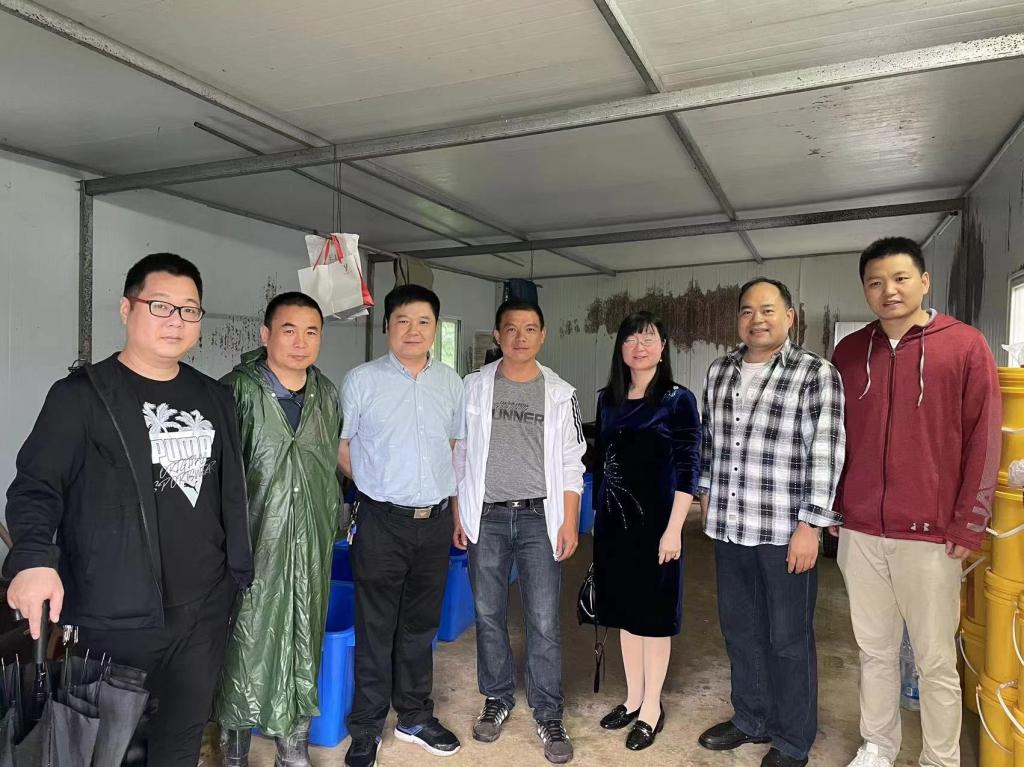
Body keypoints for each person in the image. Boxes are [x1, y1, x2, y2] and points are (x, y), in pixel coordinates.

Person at [4, 253, 253, 766]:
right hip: (115, 612)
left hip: (204, 608)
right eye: (160, 305)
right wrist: (31, 559)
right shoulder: (81, 398)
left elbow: (229, 493)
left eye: (189, 310)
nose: (175, 320)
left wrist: (235, 576)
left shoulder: (215, 397)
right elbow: (36, 485)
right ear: (126, 309)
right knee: (108, 747)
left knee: (181, 738)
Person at [832, 237, 1000, 767]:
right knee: (874, 651)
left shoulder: (965, 345)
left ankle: (940, 758)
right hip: (861, 529)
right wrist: (836, 505)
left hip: (931, 535)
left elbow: (983, 440)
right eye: (876, 282)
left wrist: (970, 523)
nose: (889, 290)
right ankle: (878, 746)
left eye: (901, 278)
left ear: (924, 281)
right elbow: (834, 438)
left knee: (935, 660)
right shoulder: (849, 352)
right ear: (865, 290)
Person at [696, 278, 845, 767]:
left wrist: (812, 526)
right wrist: (703, 493)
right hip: (730, 526)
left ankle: (793, 739)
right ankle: (751, 718)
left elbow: (826, 450)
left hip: (785, 532)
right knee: (740, 630)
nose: (756, 320)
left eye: (767, 310)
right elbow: (710, 441)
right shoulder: (720, 371)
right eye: (747, 311)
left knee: (788, 639)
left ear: (789, 317)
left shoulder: (815, 373)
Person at [452, 299, 585, 764]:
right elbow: (459, 454)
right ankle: (498, 696)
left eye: (530, 329)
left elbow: (572, 462)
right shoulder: (473, 387)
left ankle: (548, 711)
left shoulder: (560, 393)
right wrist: (458, 513)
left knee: (543, 618)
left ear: (543, 335)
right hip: (486, 516)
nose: (520, 337)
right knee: (488, 613)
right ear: (497, 335)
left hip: (538, 518)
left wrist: (569, 520)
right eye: (511, 328)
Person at [339, 284, 466, 767]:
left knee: (420, 625)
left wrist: (453, 513)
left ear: (435, 328)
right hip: (380, 521)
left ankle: (413, 716)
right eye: (403, 321)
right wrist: (374, 484)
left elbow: (454, 449)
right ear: (387, 326)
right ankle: (366, 728)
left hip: (433, 523)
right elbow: (341, 445)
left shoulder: (451, 383)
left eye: (423, 322)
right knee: (375, 627)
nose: (413, 331)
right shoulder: (361, 380)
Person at [215, 292, 342, 766]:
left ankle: (293, 749)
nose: (300, 341)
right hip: (251, 544)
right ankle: (233, 752)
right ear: (266, 334)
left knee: (304, 637)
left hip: (311, 544)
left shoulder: (326, 395)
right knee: (242, 642)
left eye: (311, 332)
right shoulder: (235, 391)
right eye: (289, 330)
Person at [592, 311, 701, 751]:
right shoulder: (608, 399)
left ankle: (652, 708)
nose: (639, 347)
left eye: (649, 338)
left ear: (663, 347)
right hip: (614, 525)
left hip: (658, 526)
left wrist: (675, 530)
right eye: (631, 339)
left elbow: (689, 468)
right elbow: (601, 463)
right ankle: (633, 698)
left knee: (653, 618)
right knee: (626, 614)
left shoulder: (677, 400)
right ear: (620, 348)